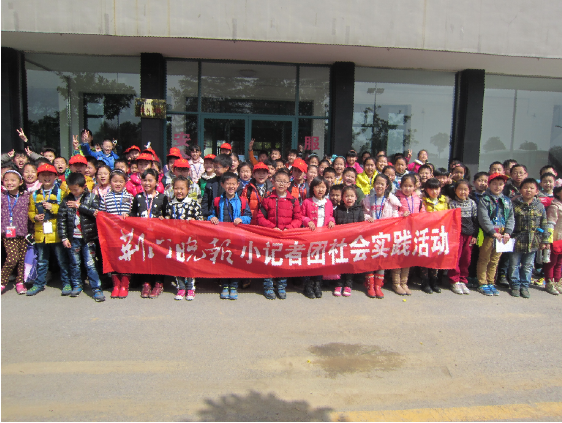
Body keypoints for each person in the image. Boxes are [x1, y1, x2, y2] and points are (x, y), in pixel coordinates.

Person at [256, 169, 302, 300]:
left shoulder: (293, 200)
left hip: (286, 236)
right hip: (271, 235)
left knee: (283, 262)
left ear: (289, 184)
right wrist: (272, 228)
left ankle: (281, 286)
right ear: (273, 182)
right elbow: (260, 217)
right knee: (269, 261)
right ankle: (268, 286)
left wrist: (288, 229)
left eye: (284, 181)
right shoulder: (268, 199)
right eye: (279, 181)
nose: (281, 184)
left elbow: (298, 219)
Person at [58, 172, 104, 301]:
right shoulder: (66, 200)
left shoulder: (92, 197)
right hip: (73, 237)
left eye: (76, 189)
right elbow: (61, 220)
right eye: (71, 189)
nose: (73, 192)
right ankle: (77, 285)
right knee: (74, 263)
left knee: (90, 264)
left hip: (88, 237)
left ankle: (97, 288)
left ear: (83, 187)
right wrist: (64, 237)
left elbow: (96, 213)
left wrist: (79, 206)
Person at [26, 163, 71, 296]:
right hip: (41, 234)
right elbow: (30, 212)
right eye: (43, 175)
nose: (46, 177)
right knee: (41, 261)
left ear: (55, 177)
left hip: (56, 233)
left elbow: (66, 211)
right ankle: (39, 283)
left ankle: (66, 283)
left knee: (62, 260)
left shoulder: (61, 193)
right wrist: (35, 217)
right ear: (39, 177)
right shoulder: (34, 194)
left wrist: (53, 208)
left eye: (50, 175)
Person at [208, 172, 252, 300]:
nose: (231, 186)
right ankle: (225, 285)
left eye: (233, 184)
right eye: (228, 184)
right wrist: (212, 218)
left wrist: (242, 219)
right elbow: (210, 214)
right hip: (222, 238)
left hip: (237, 238)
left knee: (235, 261)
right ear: (222, 185)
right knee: (224, 261)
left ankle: (234, 286)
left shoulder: (243, 201)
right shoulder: (217, 201)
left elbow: (249, 217)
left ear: (238, 185)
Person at [126, 169, 168, 298]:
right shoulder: (138, 197)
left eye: (150, 180)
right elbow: (133, 214)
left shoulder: (162, 198)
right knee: (145, 258)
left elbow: (167, 214)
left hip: (158, 236)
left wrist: (164, 218)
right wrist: (127, 216)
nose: (147, 183)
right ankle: (146, 283)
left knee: (158, 259)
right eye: (144, 180)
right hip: (142, 235)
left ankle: (158, 283)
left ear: (157, 182)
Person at [508, 178, 550, 298]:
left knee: (528, 265)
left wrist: (545, 240)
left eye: (532, 188)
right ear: (520, 190)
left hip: (533, 241)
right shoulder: (514, 204)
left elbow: (544, 223)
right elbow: (509, 221)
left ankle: (525, 286)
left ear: (537, 191)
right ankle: (515, 286)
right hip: (516, 240)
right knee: (514, 264)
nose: (528, 190)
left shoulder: (539, 206)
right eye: (526, 187)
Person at [362, 174, 401, 298]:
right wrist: (368, 218)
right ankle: (370, 285)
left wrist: (392, 223)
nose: (379, 186)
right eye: (377, 183)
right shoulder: (368, 199)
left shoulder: (391, 200)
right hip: (371, 233)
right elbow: (365, 213)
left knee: (381, 259)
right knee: (370, 258)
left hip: (385, 233)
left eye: (382, 184)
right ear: (374, 185)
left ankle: (378, 285)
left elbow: (395, 214)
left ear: (387, 186)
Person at [476, 173, 514, 296]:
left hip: (502, 234)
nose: (497, 187)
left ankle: (491, 281)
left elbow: (511, 217)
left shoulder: (507, 200)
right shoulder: (485, 199)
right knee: (484, 259)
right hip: (488, 233)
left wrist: (508, 232)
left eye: (500, 184)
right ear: (489, 185)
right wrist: (492, 232)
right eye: (494, 184)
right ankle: (482, 283)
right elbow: (483, 217)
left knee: (495, 259)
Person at [166, 176, 203, 301]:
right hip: (175, 240)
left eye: (182, 188)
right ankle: (180, 287)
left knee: (189, 264)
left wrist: (194, 221)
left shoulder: (194, 204)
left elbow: (200, 220)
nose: (179, 191)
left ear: (188, 189)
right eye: (176, 188)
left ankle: (191, 288)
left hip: (190, 240)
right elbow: (167, 220)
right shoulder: (170, 204)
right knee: (177, 264)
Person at [98, 169, 134, 298]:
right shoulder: (105, 197)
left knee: (125, 259)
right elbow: (101, 214)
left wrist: (129, 215)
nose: (118, 184)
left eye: (120, 181)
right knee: (113, 259)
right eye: (114, 181)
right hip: (111, 234)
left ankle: (124, 285)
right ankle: (116, 285)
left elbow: (134, 214)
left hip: (125, 235)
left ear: (125, 182)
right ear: (110, 182)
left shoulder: (130, 197)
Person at [301, 176, 335, 299]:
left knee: (320, 261)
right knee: (309, 261)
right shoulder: (307, 202)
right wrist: (307, 221)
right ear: (312, 188)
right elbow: (301, 216)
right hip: (310, 237)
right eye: (317, 187)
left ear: (326, 189)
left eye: (323, 187)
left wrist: (331, 221)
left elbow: (331, 215)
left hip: (323, 237)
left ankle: (317, 285)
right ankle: (308, 286)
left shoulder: (328, 203)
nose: (320, 190)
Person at [394, 174, 425, 295]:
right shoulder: (397, 198)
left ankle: (404, 282)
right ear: (400, 186)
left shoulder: (418, 199)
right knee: (398, 256)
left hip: (413, 231)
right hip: (400, 231)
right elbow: (393, 213)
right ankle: (396, 283)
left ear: (414, 187)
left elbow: (422, 213)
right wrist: (401, 215)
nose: (407, 188)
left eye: (410, 186)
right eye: (405, 186)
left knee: (407, 257)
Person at [1, 170, 30, 294]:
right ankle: (2, 282)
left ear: (20, 182)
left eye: (13, 180)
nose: (9, 182)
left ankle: (20, 282)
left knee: (22, 260)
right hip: (8, 233)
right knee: (12, 259)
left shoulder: (26, 196)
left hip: (23, 232)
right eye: (6, 180)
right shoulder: (2, 196)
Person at [333, 186, 365, 297]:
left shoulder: (359, 211)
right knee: (340, 263)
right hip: (340, 243)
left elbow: (362, 226)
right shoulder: (338, 210)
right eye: (347, 196)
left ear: (356, 197)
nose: (349, 198)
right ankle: (339, 284)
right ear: (342, 198)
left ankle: (348, 285)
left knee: (350, 264)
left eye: (352, 196)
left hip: (353, 242)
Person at [448, 180, 478, 295]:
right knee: (456, 257)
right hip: (457, 235)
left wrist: (474, 235)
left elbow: (475, 220)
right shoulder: (452, 204)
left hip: (469, 235)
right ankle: (454, 280)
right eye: (460, 189)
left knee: (466, 258)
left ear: (469, 190)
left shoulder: (472, 203)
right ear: (455, 190)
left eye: (465, 189)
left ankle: (463, 279)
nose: (463, 192)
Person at [419, 178, 449, 294]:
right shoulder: (423, 201)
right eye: (431, 189)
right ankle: (425, 281)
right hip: (426, 233)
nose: (434, 191)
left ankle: (434, 281)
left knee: (436, 257)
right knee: (425, 257)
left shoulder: (444, 201)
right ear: (426, 190)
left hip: (439, 233)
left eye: (436, 188)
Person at [201, 154, 232, 218]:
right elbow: (205, 202)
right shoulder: (210, 182)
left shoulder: (233, 183)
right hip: (212, 216)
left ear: (226, 168)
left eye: (217, 167)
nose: (215, 169)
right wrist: (206, 215)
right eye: (214, 166)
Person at [545, 186, 562, 295]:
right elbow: (550, 224)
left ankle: (557, 282)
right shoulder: (555, 206)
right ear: (558, 193)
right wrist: (548, 240)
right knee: (552, 262)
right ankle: (549, 282)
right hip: (555, 238)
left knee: (560, 262)